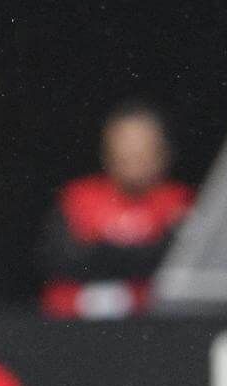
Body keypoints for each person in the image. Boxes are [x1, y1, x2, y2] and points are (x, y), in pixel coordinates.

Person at [41, 103, 193, 320]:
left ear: (162, 152)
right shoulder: (79, 197)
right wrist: (139, 256)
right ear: (107, 151)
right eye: (124, 145)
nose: (132, 154)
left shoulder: (178, 201)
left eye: (142, 147)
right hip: (74, 322)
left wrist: (105, 253)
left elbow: (177, 265)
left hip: (152, 323)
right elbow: (60, 260)